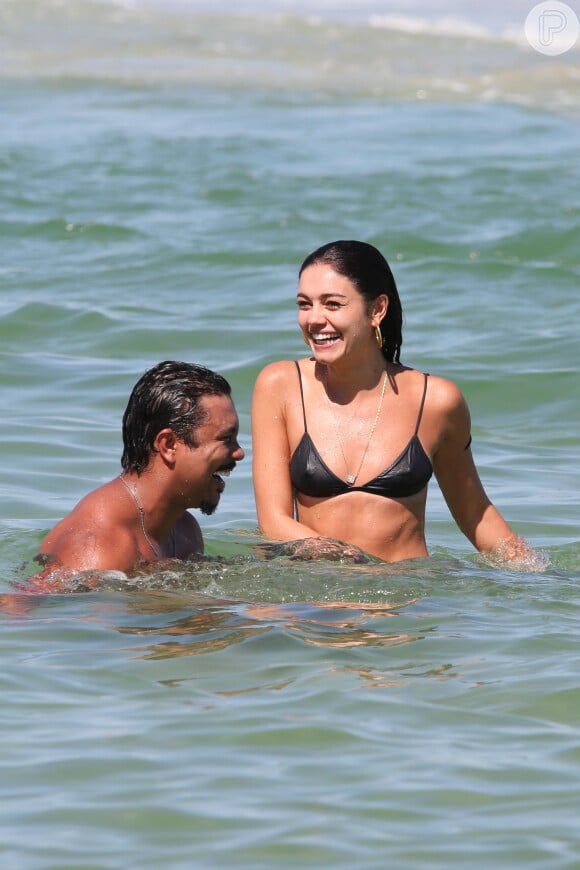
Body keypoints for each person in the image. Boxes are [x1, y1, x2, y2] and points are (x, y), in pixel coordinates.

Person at [251, 239, 534, 565]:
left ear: (377, 310)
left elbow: (476, 514)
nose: (314, 319)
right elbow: (272, 521)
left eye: (332, 304)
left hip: (407, 601)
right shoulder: (280, 386)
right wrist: (345, 561)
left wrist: (544, 579)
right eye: (304, 304)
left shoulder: (437, 400)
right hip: (316, 603)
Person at [31, 360, 244, 584]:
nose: (239, 453)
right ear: (168, 444)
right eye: (226, 439)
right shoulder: (100, 548)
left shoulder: (184, 530)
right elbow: (36, 611)